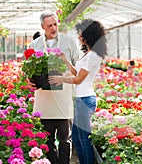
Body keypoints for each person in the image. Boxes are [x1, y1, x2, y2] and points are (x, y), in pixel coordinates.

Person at [49, 19, 108, 164]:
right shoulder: (88, 53)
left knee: (84, 138)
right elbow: (76, 73)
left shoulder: (93, 55)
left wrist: (61, 79)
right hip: (81, 99)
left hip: (85, 99)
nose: (79, 37)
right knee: (76, 137)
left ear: (89, 35)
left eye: (81, 35)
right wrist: (65, 60)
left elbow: (78, 80)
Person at [28, 10, 79, 164]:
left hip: (63, 100)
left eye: (55, 24)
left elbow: (78, 71)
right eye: (49, 25)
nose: (54, 28)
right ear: (43, 26)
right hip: (44, 101)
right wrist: (28, 80)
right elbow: (29, 70)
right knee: (47, 141)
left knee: (65, 140)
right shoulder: (34, 45)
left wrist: (64, 62)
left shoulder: (69, 42)